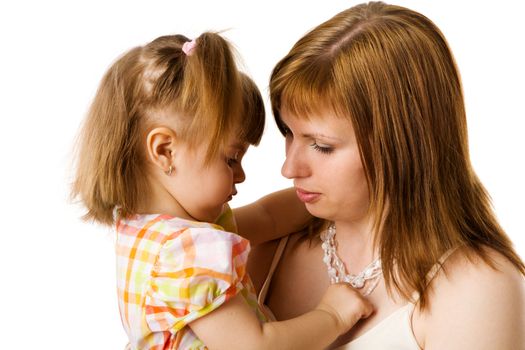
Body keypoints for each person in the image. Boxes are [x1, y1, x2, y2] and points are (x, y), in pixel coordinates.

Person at [248, 2, 525, 349]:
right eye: (288, 132)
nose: (289, 168)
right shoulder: (271, 244)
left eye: (321, 145)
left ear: (403, 144)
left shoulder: (476, 288)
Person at [71, 32, 373, 349]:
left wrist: (326, 192)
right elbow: (256, 347)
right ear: (165, 152)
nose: (240, 175)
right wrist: (333, 315)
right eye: (230, 158)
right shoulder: (190, 250)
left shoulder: (146, 230)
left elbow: (268, 217)